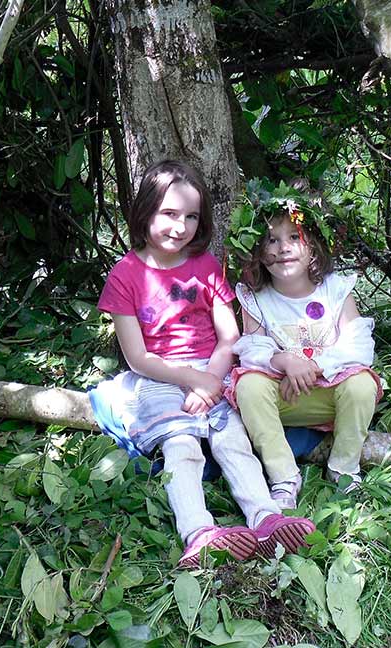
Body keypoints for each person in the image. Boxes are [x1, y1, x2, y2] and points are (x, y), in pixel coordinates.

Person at [97, 160, 315, 568]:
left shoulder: (206, 267)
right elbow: (136, 357)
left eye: (191, 216)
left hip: (212, 369)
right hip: (160, 374)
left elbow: (229, 337)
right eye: (170, 214)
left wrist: (211, 379)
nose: (180, 227)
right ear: (145, 211)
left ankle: (266, 518)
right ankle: (198, 532)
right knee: (181, 447)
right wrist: (190, 379)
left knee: (233, 441)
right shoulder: (124, 276)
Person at [228, 183, 381, 509]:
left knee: (362, 385)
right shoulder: (256, 296)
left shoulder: (334, 289)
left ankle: (343, 469)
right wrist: (283, 360)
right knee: (249, 387)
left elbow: (359, 346)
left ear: (313, 245)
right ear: (258, 250)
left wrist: (314, 367)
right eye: (272, 239)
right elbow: (252, 348)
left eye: (294, 237)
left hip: (328, 394)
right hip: (283, 395)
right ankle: (283, 477)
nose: (283, 248)